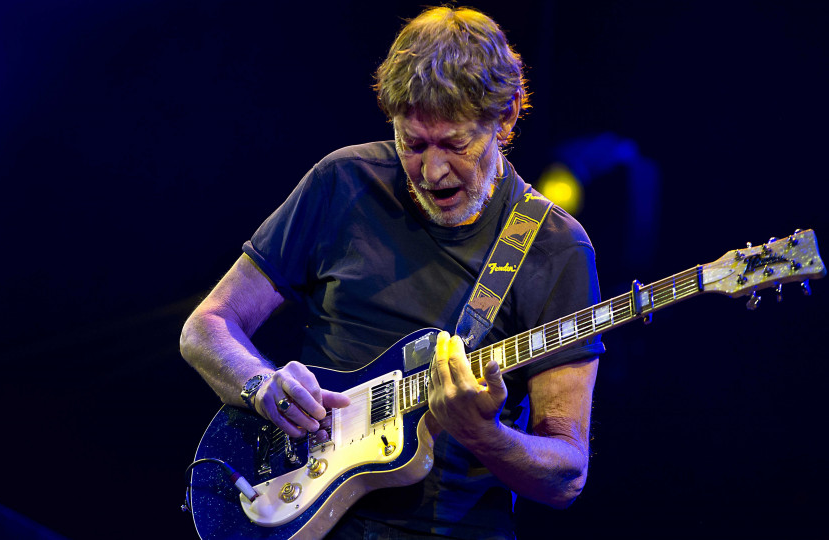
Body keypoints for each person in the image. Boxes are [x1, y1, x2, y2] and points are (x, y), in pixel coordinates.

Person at [180, 6, 604, 539]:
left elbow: (566, 476)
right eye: (413, 143)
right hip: (303, 517)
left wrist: (483, 433)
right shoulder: (343, 181)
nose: (432, 172)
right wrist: (260, 384)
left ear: (508, 117)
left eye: (455, 144)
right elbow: (206, 326)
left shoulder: (555, 247)